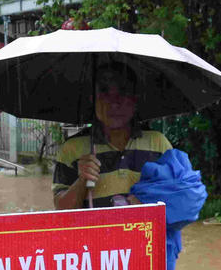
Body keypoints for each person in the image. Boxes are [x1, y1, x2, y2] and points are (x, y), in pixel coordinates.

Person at [52, 62, 173, 210]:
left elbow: (179, 200)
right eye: (104, 91)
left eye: (123, 91)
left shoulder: (158, 144)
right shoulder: (72, 148)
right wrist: (82, 180)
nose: (114, 103)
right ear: (93, 99)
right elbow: (61, 211)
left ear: (135, 99)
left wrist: (147, 201)